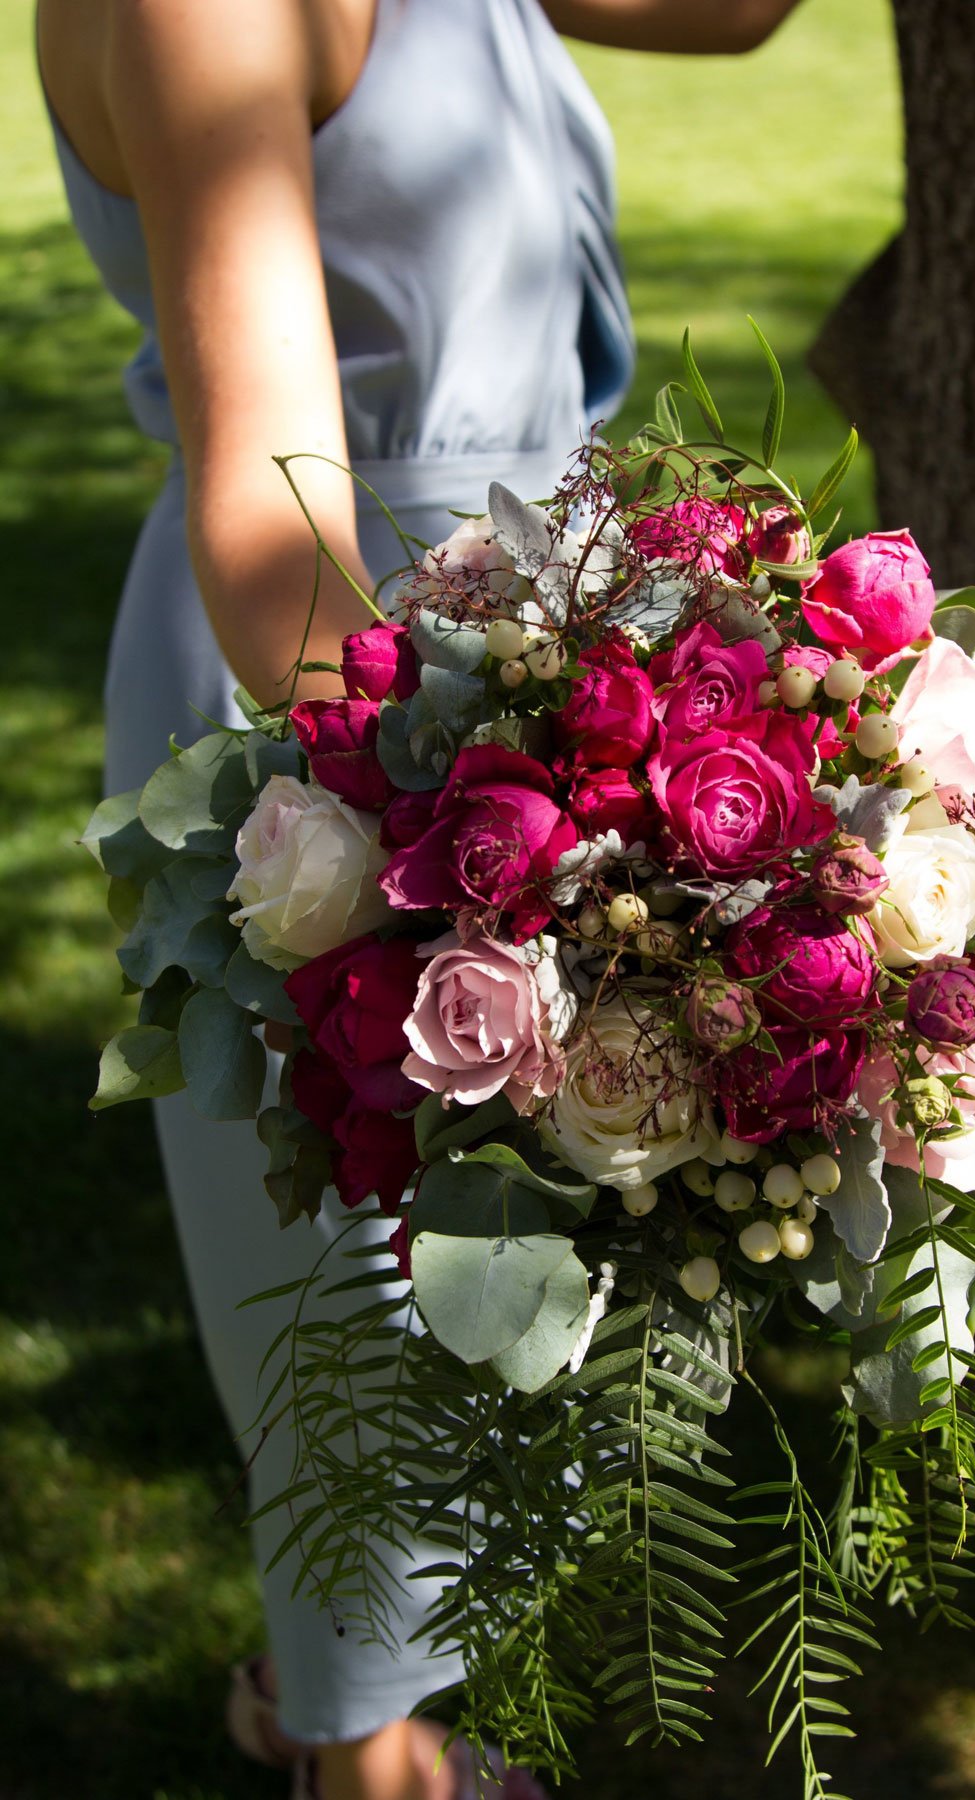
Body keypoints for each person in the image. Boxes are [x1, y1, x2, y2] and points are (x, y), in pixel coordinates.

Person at [36, 2, 803, 1795]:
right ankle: (357, 1757)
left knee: (505, 1298)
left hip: (536, 646)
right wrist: (470, 842)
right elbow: (267, 521)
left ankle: (340, 1717)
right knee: (365, 1288)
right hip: (352, 691)